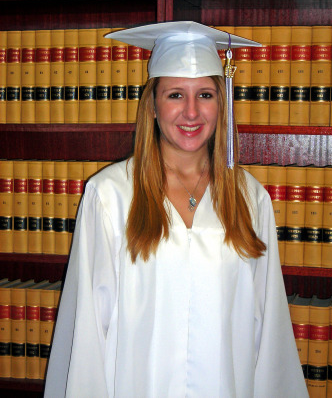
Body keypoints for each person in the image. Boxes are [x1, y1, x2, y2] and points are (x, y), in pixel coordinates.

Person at [44, 22, 308, 397]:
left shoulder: (250, 199)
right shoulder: (110, 196)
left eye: (204, 94)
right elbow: (88, 328)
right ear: (152, 105)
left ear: (222, 103)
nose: (191, 112)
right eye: (174, 95)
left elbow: (269, 333)